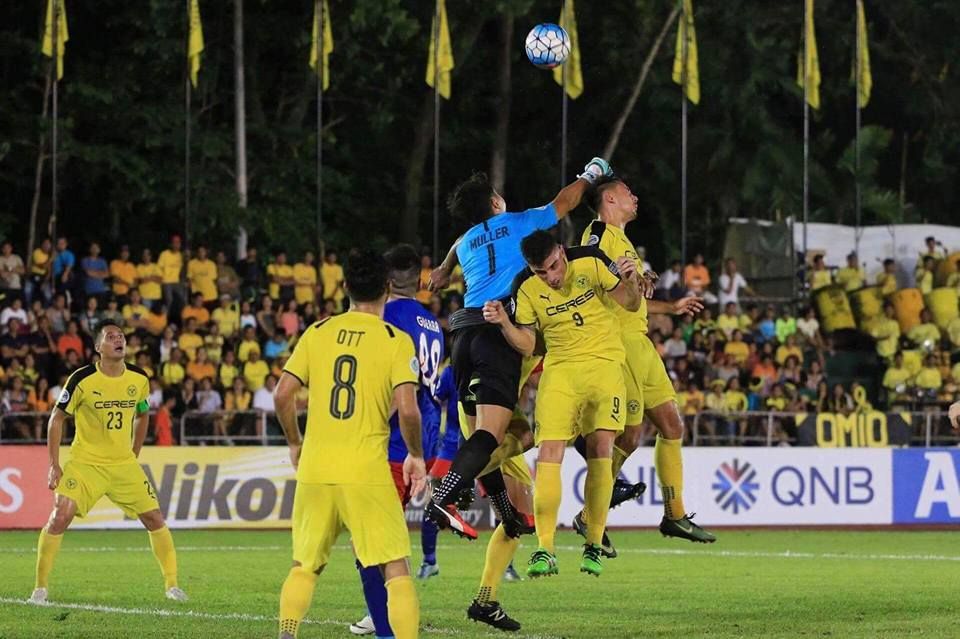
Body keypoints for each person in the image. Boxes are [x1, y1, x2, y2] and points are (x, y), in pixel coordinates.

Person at [424, 159, 611, 540]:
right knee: (491, 436)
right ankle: (444, 495)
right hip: (498, 332)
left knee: (511, 435)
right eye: (496, 195)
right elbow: (564, 202)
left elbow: (456, 248)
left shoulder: (468, 240)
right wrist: (591, 174)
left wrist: (444, 270)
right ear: (495, 204)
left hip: (461, 337)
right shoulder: (518, 223)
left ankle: (506, 513)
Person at [273, 248, 425, 639]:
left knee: (304, 565)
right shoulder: (395, 339)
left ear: (344, 287)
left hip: (316, 468)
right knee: (395, 568)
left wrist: (294, 442)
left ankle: (287, 633)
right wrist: (415, 454)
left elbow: (282, 395)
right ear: (387, 288)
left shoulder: (318, 332)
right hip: (366, 471)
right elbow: (408, 410)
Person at [483, 229, 641, 579]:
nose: (551, 277)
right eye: (542, 272)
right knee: (548, 451)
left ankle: (594, 545)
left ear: (561, 251)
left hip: (605, 366)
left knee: (601, 447)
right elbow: (527, 344)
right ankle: (545, 549)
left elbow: (629, 303)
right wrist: (505, 323)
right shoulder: (524, 286)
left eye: (554, 266)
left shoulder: (591, 260)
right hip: (561, 370)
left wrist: (631, 282)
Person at [577, 176, 715, 553]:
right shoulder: (599, 236)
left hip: (641, 342)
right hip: (618, 345)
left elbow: (630, 297)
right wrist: (632, 283)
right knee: (629, 434)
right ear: (609, 198)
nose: (634, 196)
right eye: (627, 192)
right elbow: (597, 287)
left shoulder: (621, 241)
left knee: (673, 424)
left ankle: (675, 514)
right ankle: (590, 515)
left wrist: (666, 304)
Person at [29, 322, 186, 604]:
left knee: (154, 518)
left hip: (123, 464)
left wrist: (134, 451)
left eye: (121, 336)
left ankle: (172, 586)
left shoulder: (139, 378)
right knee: (60, 515)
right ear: (98, 348)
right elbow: (57, 418)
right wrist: (54, 463)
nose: (119, 340)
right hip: (86, 462)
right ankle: (40, 588)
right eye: (111, 337)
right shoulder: (82, 379)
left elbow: (142, 412)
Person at [348, 244, 447, 639]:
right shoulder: (432, 323)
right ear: (419, 281)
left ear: (385, 282)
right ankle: (385, 613)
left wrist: (363, 425)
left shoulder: (386, 314)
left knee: (371, 542)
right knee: (380, 536)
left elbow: (396, 386)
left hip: (389, 442)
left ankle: (386, 619)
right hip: (420, 440)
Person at [158, 235, 184, 312]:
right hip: (166, 281)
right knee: (169, 300)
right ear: (171, 244)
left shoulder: (180, 255)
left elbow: (182, 270)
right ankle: (167, 317)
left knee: (182, 299)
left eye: (178, 242)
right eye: (174, 242)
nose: (176, 244)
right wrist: (161, 280)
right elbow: (159, 268)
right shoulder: (164, 254)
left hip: (177, 281)